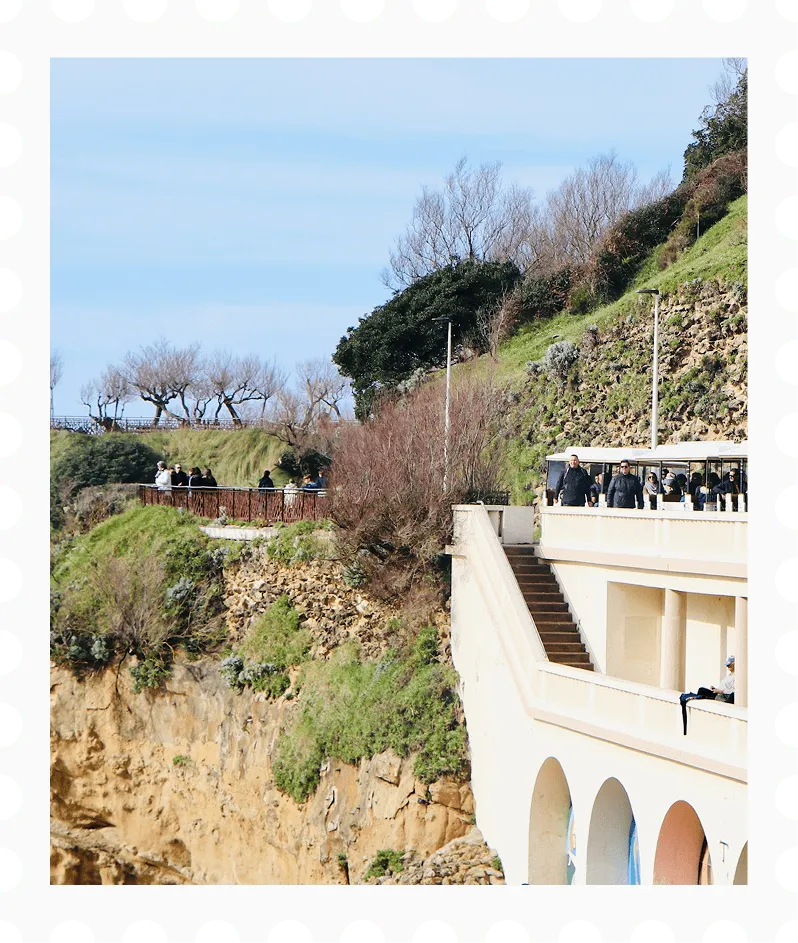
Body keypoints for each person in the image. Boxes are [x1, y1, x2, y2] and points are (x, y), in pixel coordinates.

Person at [679, 656, 735, 734]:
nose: (727, 667)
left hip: (725, 696)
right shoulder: (729, 675)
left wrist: (720, 691)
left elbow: (733, 691)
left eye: (729, 665)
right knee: (701, 689)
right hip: (718, 693)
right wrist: (715, 689)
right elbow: (722, 687)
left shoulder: (736, 677)